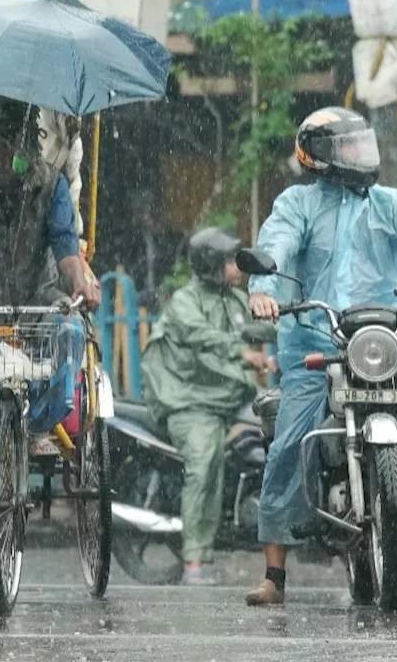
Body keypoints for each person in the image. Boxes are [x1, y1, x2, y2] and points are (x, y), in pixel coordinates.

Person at [244, 107, 397, 606]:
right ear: (319, 156)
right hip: (315, 340)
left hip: (380, 339)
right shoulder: (298, 204)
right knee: (289, 442)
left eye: (360, 144)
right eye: (346, 147)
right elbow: (275, 245)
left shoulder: (389, 203)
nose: (358, 155)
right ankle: (274, 573)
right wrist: (263, 288)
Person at [0, 101, 102, 536]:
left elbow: (66, 244)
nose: (19, 156)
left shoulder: (51, 182)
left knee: (69, 331)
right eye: (11, 145)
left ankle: (37, 423)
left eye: (28, 142)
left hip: (36, 296)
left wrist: (79, 281)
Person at [141, 227, 276, 585]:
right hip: (189, 400)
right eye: (231, 261)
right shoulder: (186, 302)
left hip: (225, 396)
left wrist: (287, 324)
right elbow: (203, 335)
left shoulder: (232, 298)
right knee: (204, 463)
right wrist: (244, 353)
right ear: (213, 264)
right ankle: (193, 561)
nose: (238, 266)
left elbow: (253, 327)